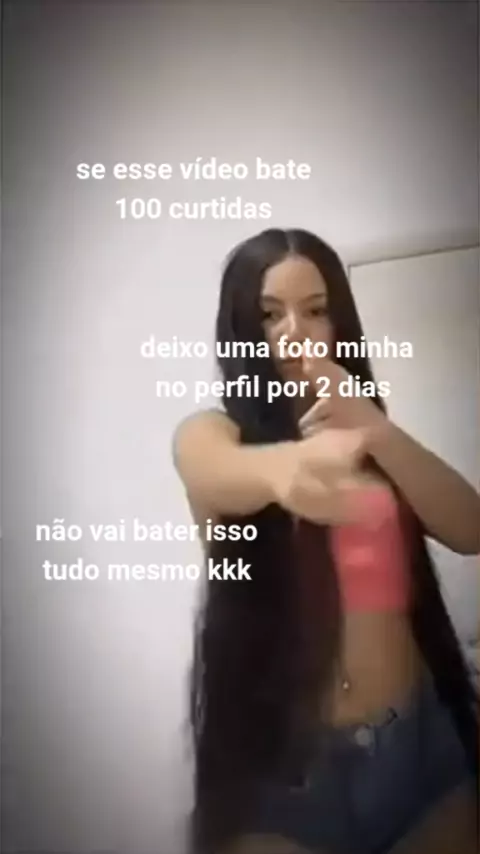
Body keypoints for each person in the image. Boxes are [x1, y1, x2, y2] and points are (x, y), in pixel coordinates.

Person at [173, 228, 479, 854]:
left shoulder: (369, 436)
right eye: (270, 314)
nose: (295, 331)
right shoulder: (217, 431)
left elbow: (470, 528)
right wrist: (286, 470)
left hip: (418, 748)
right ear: (240, 327)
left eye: (315, 310)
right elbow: (205, 464)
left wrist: (374, 428)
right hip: (285, 774)